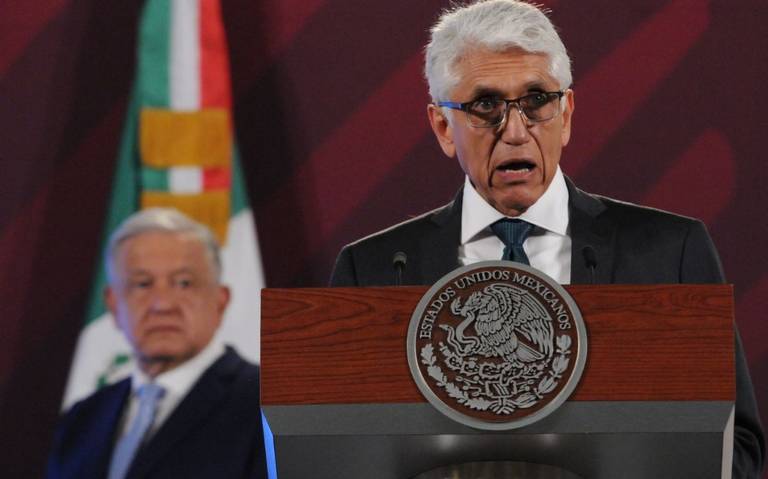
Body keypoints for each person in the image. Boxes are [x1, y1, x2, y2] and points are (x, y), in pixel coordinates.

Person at [329, 0, 764, 477]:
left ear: (567, 113)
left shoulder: (670, 253)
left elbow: (737, 451)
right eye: (486, 106)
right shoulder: (374, 271)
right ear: (443, 127)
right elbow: (338, 454)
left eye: (537, 101)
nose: (516, 132)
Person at [46, 208, 267, 479]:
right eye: (142, 284)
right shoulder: (80, 420)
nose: (162, 304)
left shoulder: (268, 405)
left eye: (184, 283)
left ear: (220, 301)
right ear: (114, 305)